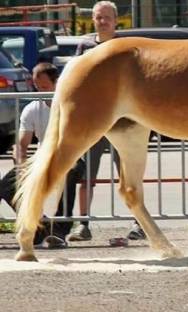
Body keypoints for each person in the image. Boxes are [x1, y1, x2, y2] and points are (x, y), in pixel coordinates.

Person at [67, 1, 146, 242]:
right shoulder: (85, 46)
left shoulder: (125, 47)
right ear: (93, 19)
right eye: (98, 17)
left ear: (115, 19)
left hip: (124, 121)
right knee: (87, 175)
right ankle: (83, 224)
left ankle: (139, 223)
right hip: (95, 121)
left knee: (130, 174)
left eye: (107, 17)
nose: (102, 21)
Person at [0, 62, 85, 248]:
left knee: (69, 172)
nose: (40, 91)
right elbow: (21, 145)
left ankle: (61, 231)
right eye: (37, 86)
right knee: (6, 185)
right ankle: (40, 227)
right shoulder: (31, 109)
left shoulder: (69, 106)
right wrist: (21, 166)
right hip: (41, 157)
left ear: (57, 83)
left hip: (70, 154)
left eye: (44, 87)